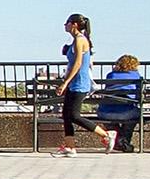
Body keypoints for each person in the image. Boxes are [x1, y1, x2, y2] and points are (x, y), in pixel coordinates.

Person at [53, 14, 114, 157]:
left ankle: (105, 134)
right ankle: (70, 147)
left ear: (74, 24)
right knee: (66, 115)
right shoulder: (76, 41)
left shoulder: (80, 40)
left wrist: (65, 82)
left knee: (74, 115)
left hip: (80, 82)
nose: (65, 25)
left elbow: (78, 63)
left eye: (67, 23)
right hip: (74, 83)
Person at [98, 55, 142, 153]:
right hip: (126, 113)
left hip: (106, 113)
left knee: (112, 120)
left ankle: (118, 140)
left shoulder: (111, 75)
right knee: (136, 115)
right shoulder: (136, 76)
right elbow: (138, 97)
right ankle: (123, 142)